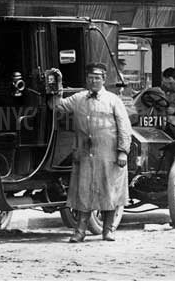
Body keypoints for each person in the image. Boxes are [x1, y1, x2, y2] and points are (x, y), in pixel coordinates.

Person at [48, 62, 132, 243]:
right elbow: (56, 106)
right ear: (87, 79)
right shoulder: (78, 98)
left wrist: (123, 151)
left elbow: (124, 128)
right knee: (83, 193)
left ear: (104, 79)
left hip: (108, 154)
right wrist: (58, 86)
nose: (93, 81)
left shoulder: (113, 100)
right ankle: (80, 232)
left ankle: (108, 230)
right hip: (84, 154)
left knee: (109, 191)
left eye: (97, 78)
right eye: (90, 78)